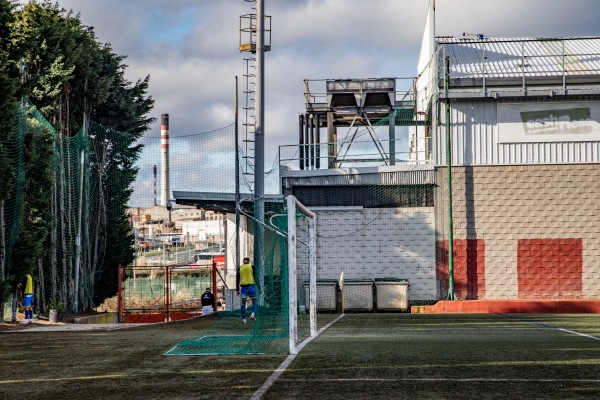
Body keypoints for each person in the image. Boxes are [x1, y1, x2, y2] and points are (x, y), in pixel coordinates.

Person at [236, 257, 256, 325]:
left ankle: (244, 320)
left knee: (243, 304)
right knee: (254, 301)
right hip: (251, 287)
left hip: (243, 288)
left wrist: (237, 290)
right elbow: (255, 277)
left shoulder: (240, 268)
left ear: (243, 262)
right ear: (249, 261)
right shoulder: (252, 267)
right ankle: (252, 314)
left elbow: (237, 279)